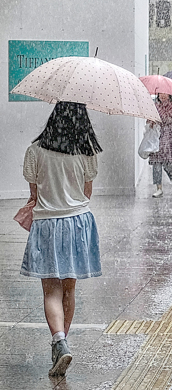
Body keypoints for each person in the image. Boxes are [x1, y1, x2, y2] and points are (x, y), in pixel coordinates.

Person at [21, 101, 103, 377]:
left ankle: (60, 342)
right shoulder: (86, 153)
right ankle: (61, 345)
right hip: (78, 223)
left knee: (51, 291)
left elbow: (34, 194)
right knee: (69, 289)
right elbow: (87, 192)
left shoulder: (35, 151)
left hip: (47, 224)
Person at [149, 93, 172, 198]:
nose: (162, 96)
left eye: (165, 94)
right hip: (156, 139)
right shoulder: (154, 106)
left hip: (168, 139)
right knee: (156, 165)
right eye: (160, 93)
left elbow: (168, 119)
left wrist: (157, 116)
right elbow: (149, 120)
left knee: (168, 164)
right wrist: (151, 121)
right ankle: (159, 188)